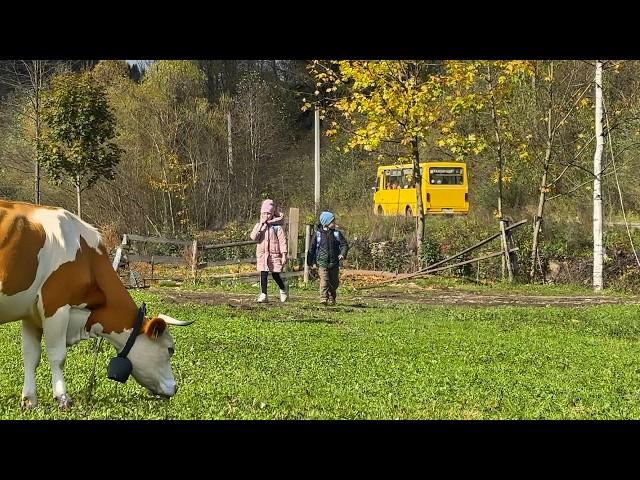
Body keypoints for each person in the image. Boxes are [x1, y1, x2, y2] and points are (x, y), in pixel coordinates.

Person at [306, 211, 349, 306]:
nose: (335, 223)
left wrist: (342, 254)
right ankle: (323, 298)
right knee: (324, 280)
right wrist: (310, 262)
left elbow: (344, 245)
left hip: (334, 262)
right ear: (326, 223)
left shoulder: (337, 234)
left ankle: (332, 297)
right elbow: (312, 248)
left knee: (334, 282)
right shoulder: (318, 234)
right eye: (332, 222)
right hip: (322, 262)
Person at [250, 199, 288, 303]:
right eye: (264, 213)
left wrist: (284, 254)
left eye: (268, 214)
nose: (265, 216)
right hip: (263, 255)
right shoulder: (259, 226)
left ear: (272, 214)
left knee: (276, 274)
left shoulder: (277, 227)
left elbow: (282, 241)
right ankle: (264, 294)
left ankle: (283, 289)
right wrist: (260, 228)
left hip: (274, 255)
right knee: (263, 273)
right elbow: (254, 238)